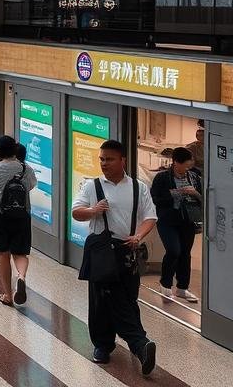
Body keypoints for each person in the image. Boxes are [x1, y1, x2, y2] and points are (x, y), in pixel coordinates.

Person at [71, 139, 158, 373]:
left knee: (126, 298)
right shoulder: (93, 186)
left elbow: (150, 217)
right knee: (103, 298)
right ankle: (131, 344)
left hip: (128, 251)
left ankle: (124, 345)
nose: (104, 163)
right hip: (101, 251)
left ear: (123, 161)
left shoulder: (139, 188)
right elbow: (76, 212)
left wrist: (138, 236)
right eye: (101, 159)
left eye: (109, 159)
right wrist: (93, 210)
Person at [0, 135, 36, 306]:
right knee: (20, 253)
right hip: (22, 215)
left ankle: (8, 295)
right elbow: (31, 185)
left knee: (3, 254)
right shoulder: (26, 168)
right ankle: (21, 277)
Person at [150, 146, 202, 302]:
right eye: (185, 165)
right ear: (175, 163)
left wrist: (194, 193)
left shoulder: (194, 177)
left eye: (189, 165)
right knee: (174, 250)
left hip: (188, 220)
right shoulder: (162, 178)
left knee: (185, 254)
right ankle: (165, 284)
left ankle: (182, 288)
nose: (187, 168)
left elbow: (203, 198)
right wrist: (176, 193)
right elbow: (156, 199)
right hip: (168, 221)